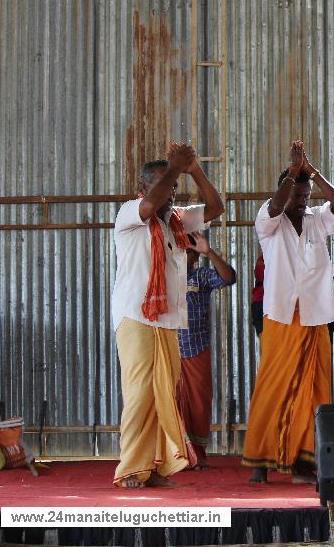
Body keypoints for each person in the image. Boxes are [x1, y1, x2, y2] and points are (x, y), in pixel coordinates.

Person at [111, 142, 225, 488]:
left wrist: (193, 169)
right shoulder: (130, 213)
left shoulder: (177, 221)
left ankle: (156, 466)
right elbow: (151, 205)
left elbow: (216, 208)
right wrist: (175, 168)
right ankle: (131, 467)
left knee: (164, 392)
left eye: (173, 188)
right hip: (135, 315)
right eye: (162, 184)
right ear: (143, 188)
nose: (170, 193)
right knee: (141, 392)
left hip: (169, 320)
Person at [242, 141, 334, 484]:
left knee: (316, 387)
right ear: (284, 193)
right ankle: (260, 458)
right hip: (281, 316)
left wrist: (312, 173)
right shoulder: (268, 221)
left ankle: (304, 461)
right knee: (274, 385)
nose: (302, 202)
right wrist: (291, 174)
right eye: (296, 196)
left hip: (317, 316)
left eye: (305, 196)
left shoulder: (317, 220)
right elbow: (275, 205)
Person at [176, 232, 236, 469]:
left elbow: (228, 278)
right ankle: (176, 456)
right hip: (169, 352)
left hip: (196, 348)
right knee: (170, 403)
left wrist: (208, 251)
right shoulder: (163, 278)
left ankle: (196, 455)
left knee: (199, 404)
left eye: (188, 250)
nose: (182, 254)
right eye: (178, 249)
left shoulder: (200, 277)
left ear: (193, 256)